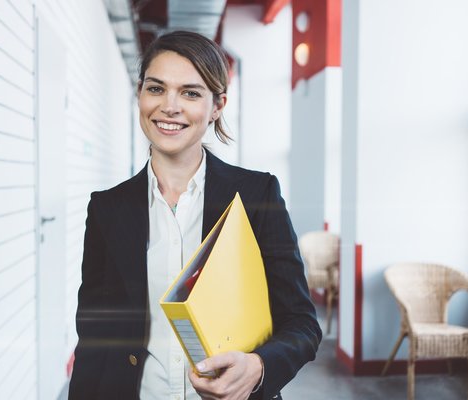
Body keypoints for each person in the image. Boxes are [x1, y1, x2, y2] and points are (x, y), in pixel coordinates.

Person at [68, 30, 322, 400]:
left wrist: (259, 367)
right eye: (156, 88)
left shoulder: (256, 196)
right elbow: (93, 337)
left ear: (217, 105)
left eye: (190, 92)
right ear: (140, 94)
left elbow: (301, 324)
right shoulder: (107, 209)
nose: (170, 106)